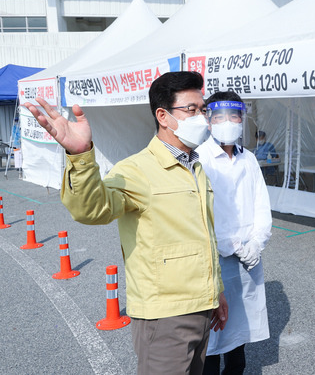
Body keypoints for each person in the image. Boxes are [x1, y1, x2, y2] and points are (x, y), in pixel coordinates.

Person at [24, 71, 228, 374]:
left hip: (202, 306)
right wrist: (80, 156)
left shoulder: (194, 166)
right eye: (191, 109)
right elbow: (92, 209)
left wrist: (217, 291)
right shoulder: (137, 169)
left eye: (202, 110)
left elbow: (204, 237)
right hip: (165, 316)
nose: (202, 117)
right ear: (163, 115)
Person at [198, 92, 271, 374]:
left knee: (239, 342)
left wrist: (256, 242)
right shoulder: (200, 159)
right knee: (212, 341)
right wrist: (228, 244)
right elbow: (200, 213)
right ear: (209, 120)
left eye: (232, 116)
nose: (226, 122)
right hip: (215, 261)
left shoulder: (248, 158)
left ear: (241, 119)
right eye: (219, 117)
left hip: (249, 260)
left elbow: (262, 204)